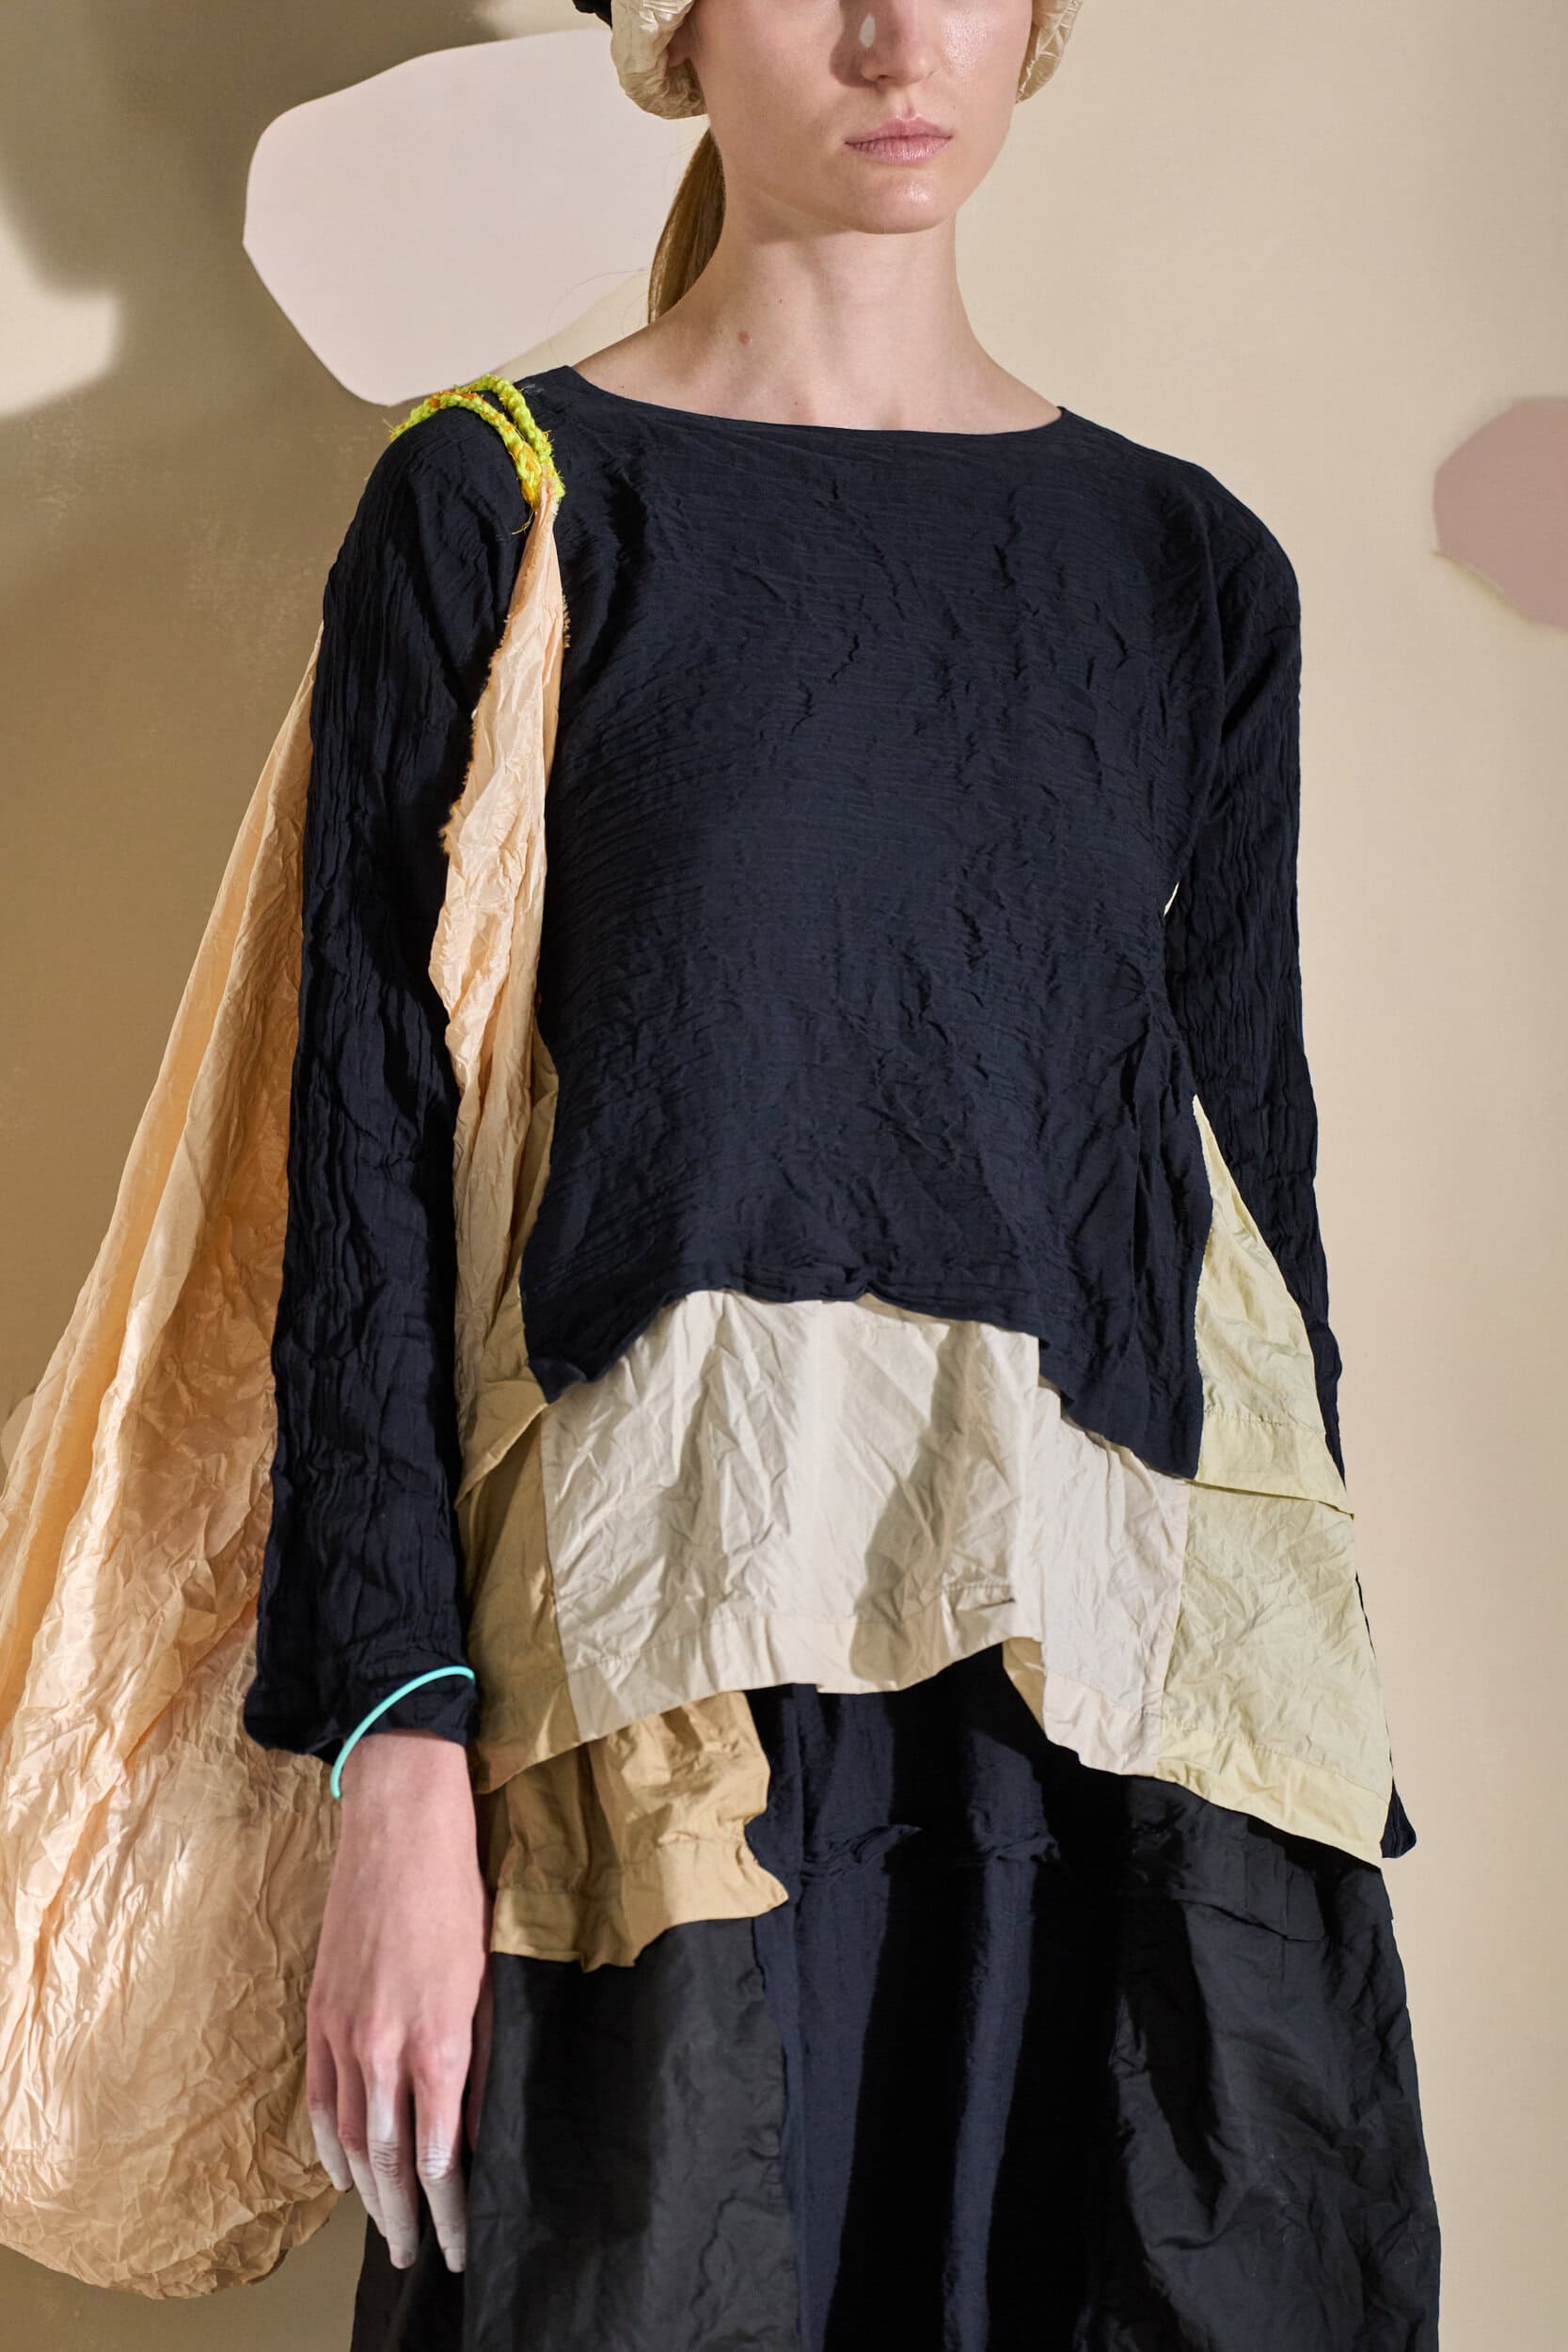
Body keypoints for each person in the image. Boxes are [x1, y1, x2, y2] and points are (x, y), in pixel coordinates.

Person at [242, 1, 1441, 2344]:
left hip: (1103, 1709)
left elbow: (1251, 1207)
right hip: (666, 1710)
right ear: (675, 31)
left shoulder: (1189, 569)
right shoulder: (499, 508)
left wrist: (1296, 1753)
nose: (900, 39)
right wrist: (396, 1753)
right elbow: (362, 1173)